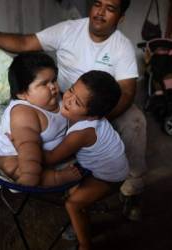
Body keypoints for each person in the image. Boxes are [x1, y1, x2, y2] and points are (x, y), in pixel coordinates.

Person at [0, 0, 147, 220]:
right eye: (97, 4)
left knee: (135, 121)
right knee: (59, 134)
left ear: (120, 17)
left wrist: (90, 119)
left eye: (110, 8)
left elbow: (127, 92)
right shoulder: (69, 29)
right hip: (65, 97)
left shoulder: (122, 46)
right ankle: (78, 190)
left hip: (100, 104)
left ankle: (132, 185)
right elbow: (27, 42)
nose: (100, 12)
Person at [44, 70, 129, 250]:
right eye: (72, 90)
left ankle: (85, 245)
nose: (67, 99)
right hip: (104, 165)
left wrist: (22, 146)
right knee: (74, 192)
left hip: (110, 176)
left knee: (73, 204)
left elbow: (51, 158)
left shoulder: (83, 132)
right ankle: (85, 214)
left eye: (77, 102)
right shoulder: (84, 116)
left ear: (92, 116)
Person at [0, 52, 82, 187]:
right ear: (22, 94)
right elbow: (27, 146)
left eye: (54, 79)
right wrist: (30, 175)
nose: (53, 86)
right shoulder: (23, 114)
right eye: (44, 84)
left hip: (46, 152)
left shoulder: (59, 98)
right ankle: (56, 177)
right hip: (13, 152)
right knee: (12, 169)